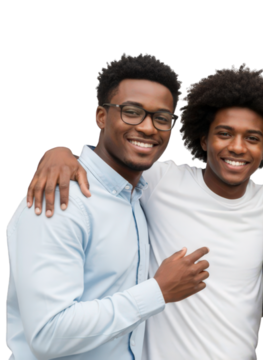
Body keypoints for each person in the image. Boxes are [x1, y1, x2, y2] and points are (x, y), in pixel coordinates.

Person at [22, 62, 263, 359]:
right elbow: (113, 165)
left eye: (252, 138)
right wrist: (60, 152)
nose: (238, 147)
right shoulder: (161, 181)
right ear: (204, 140)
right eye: (224, 134)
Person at [6, 52, 210, 360]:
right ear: (101, 116)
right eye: (132, 112)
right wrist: (158, 291)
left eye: (161, 117)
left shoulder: (138, 197)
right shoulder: (61, 198)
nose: (147, 127)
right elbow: (48, 334)